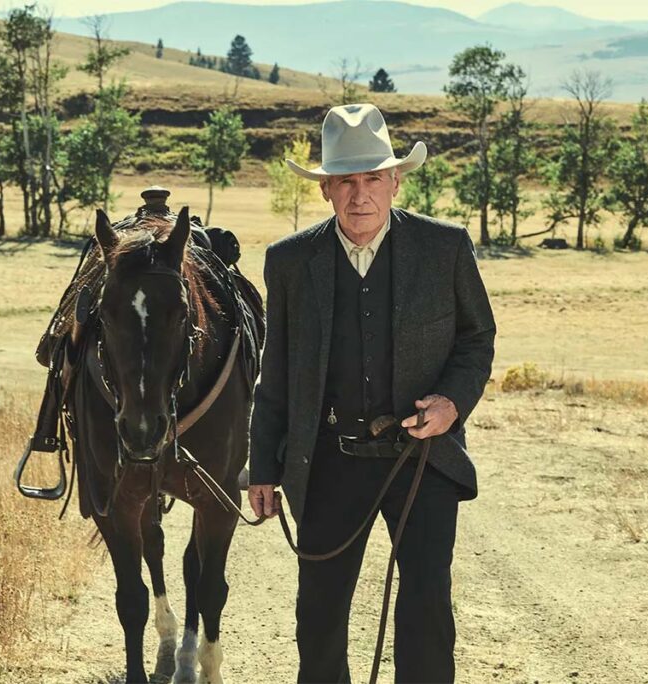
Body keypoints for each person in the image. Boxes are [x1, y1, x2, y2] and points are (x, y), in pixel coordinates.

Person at [247, 103, 496, 683]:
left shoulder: (445, 249)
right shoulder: (289, 261)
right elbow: (275, 369)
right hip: (331, 457)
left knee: (427, 602)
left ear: (395, 182)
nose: (362, 195)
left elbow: (477, 338)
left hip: (423, 457)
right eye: (348, 182)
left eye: (374, 179)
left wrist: (452, 402)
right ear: (327, 189)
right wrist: (263, 465)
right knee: (319, 612)